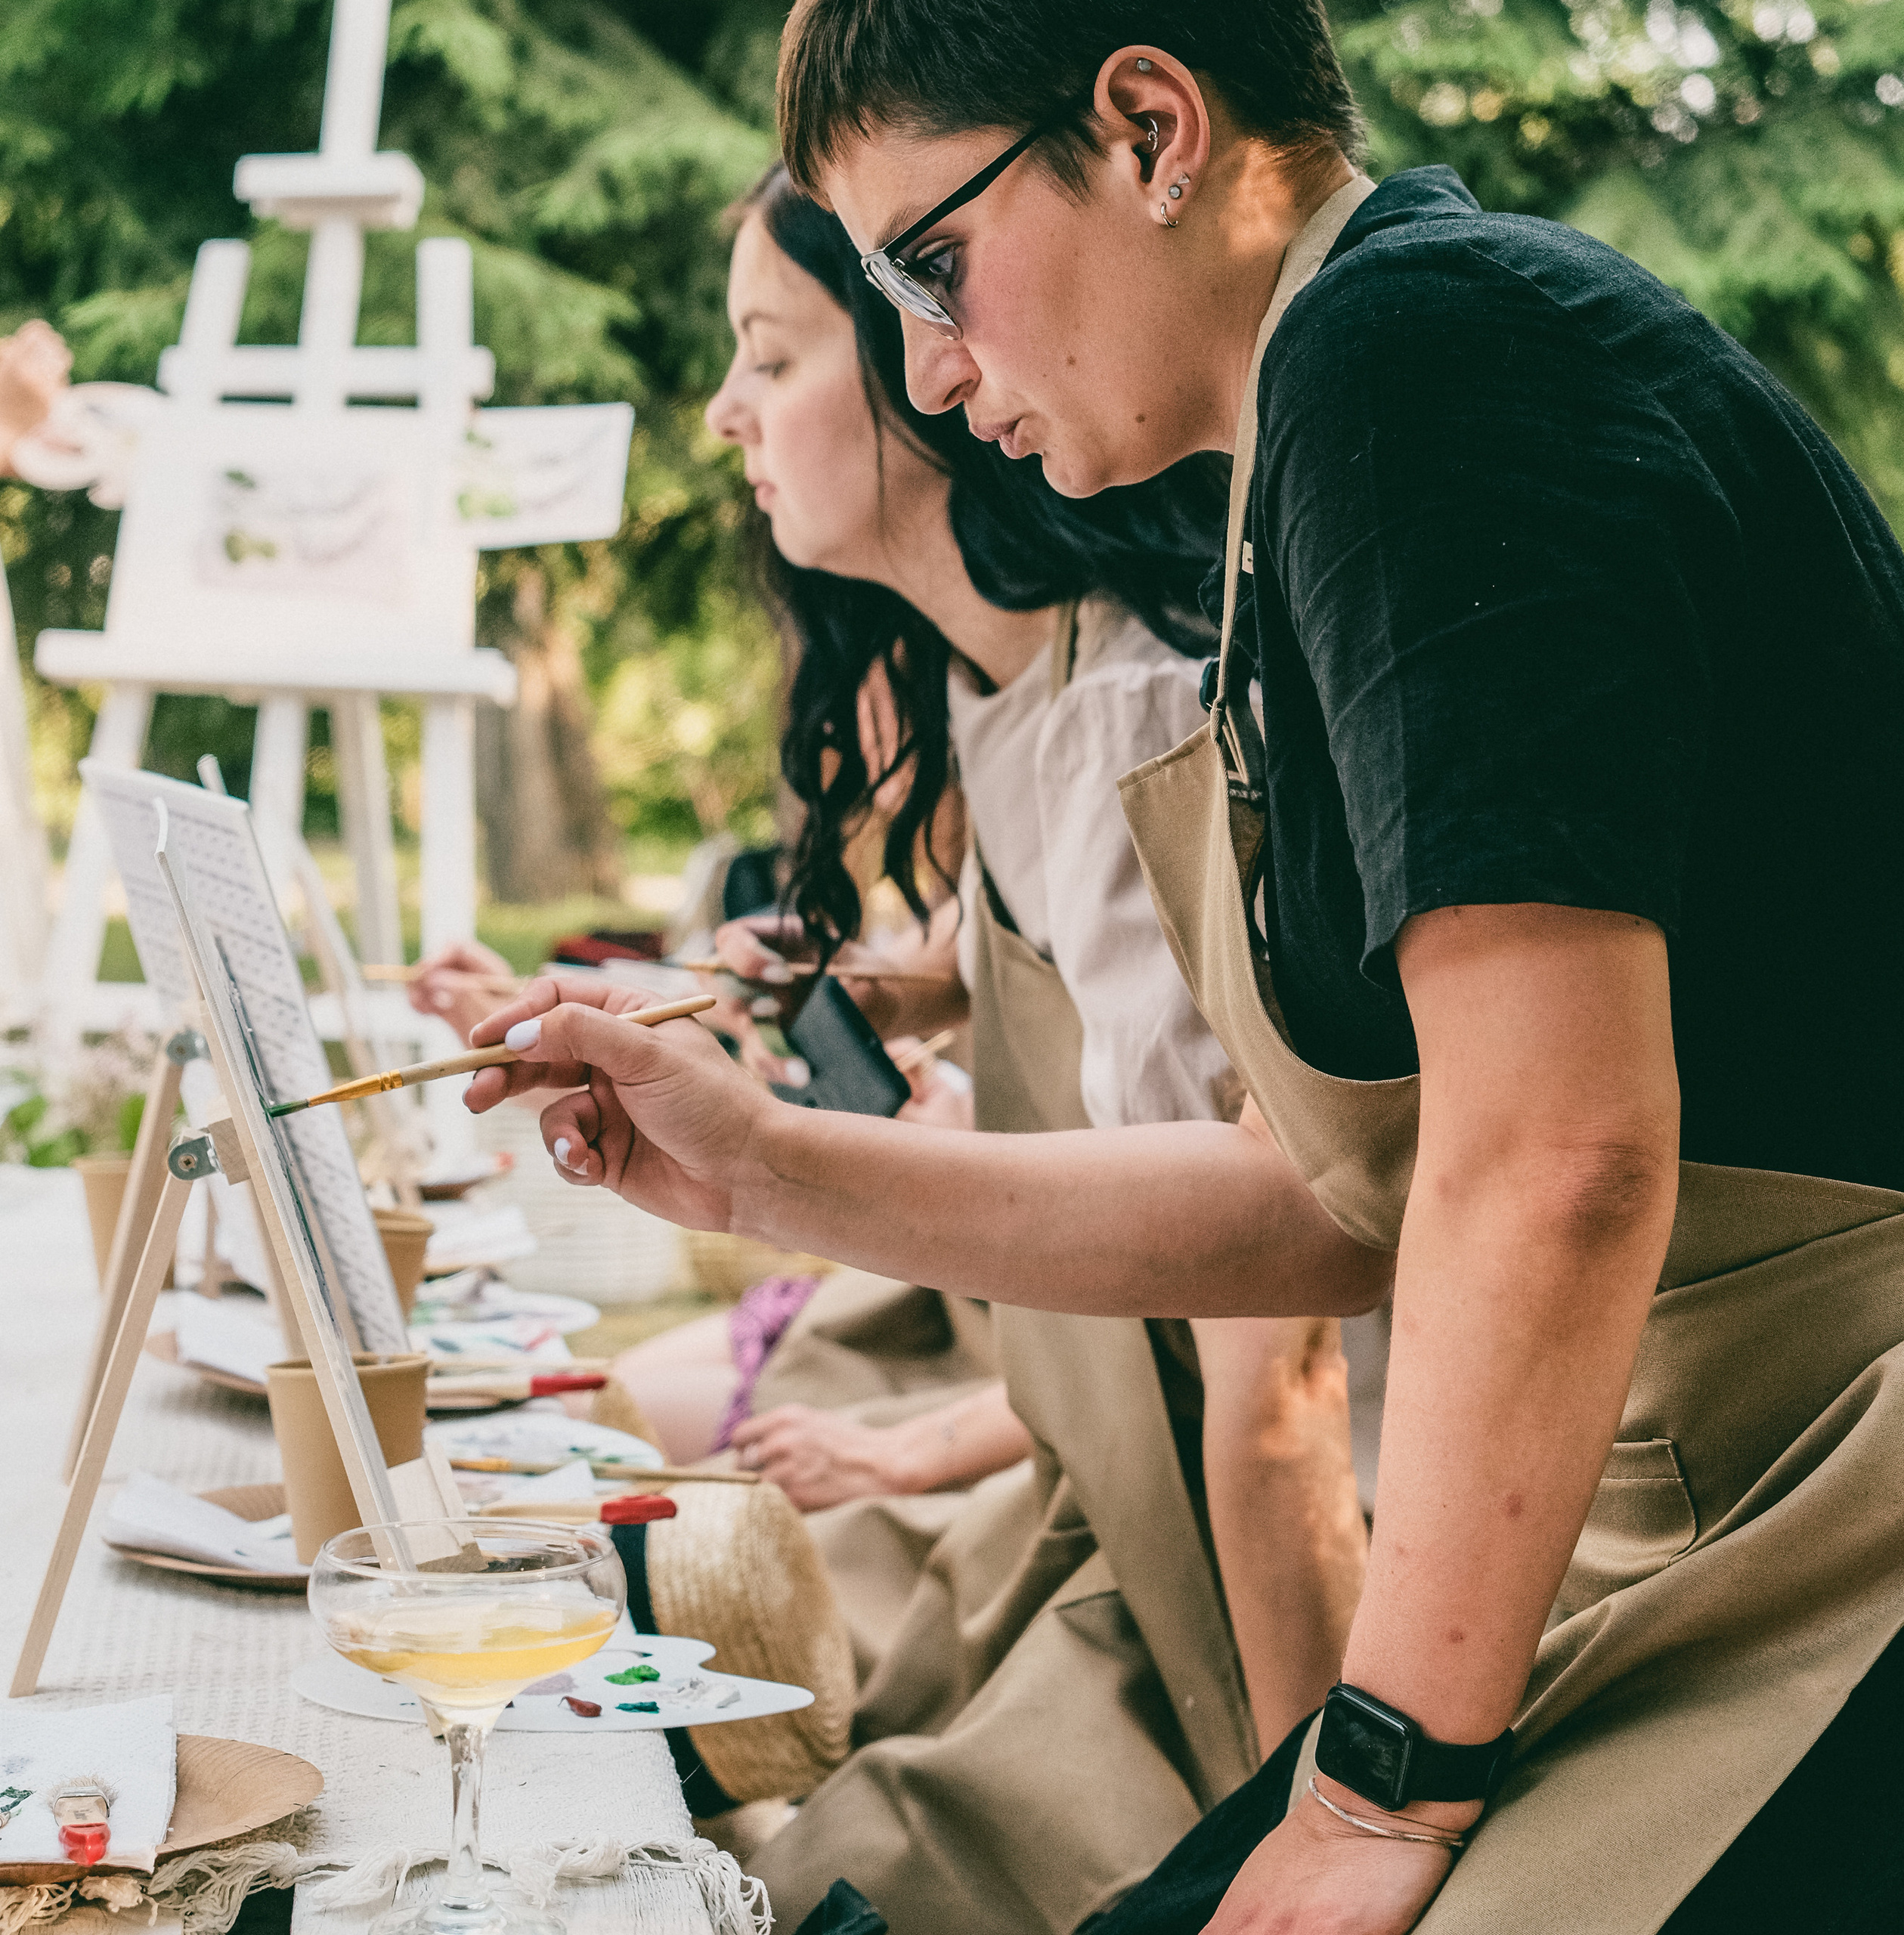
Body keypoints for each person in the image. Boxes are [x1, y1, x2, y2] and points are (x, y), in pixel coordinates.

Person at [466, 3, 1904, 1931]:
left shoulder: (1420, 354)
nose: (925, 366)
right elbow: (1341, 1194)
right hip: (1706, 1487)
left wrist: (1374, 1774)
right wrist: (758, 1166)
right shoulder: (1331, 416)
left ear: (1151, 126)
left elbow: (1556, 1155)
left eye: (929, 262)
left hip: (1853, 1491)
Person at [433, 163, 1372, 1932]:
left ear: (919, 369)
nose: (724, 411)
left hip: (1225, 1583)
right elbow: (1013, 988)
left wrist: (1306, 1804)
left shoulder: (1132, 711)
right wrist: (779, 1004)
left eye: (769, 355)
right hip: (1104, 1498)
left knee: (760, 1851)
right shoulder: (1006, 696)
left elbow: (1279, 1375)